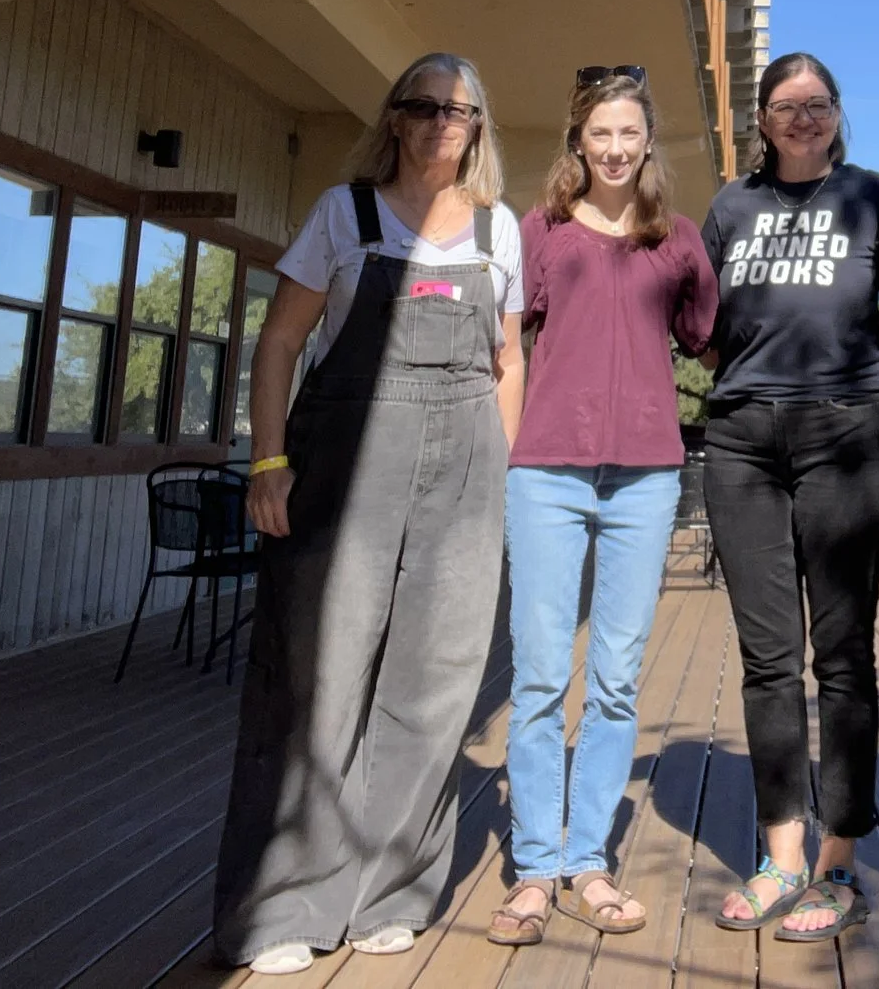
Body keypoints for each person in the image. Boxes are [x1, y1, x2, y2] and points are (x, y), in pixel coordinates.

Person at [213, 53, 526, 977]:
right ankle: (281, 903)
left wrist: (500, 477)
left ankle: (391, 887)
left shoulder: (498, 230)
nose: (441, 122)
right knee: (319, 676)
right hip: (341, 470)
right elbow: (279, 342)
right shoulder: (342, 214)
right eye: (423, 106)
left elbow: (509, 360)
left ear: (477, 128)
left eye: (459, 110)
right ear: (395, 119)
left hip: (465, 473)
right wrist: (267, 460)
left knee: (433, 684)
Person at [488, 66, 719, 946]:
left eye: (630, 133)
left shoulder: (678, 238)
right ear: (577, 141)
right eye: (601, 133)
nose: (616, 148)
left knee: (617, 681)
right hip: (545, 469)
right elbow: (505, 342)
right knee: (542, 674)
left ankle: (590, 859)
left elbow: (705, 331)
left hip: (648, 476)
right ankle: (535, 868)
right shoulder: (538, 232)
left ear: (648, 140)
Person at [698, 51, 879, 942]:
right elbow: (701, 320)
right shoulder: (730, 206)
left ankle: (838, 865)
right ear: (764, 119)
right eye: (787, 105)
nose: (803, 117)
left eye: (818, 104)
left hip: (845, 436)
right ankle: (782, 852)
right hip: (740, 438)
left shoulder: (877, 197)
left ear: (838, 114)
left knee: (843, 654)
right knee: (768, 655)